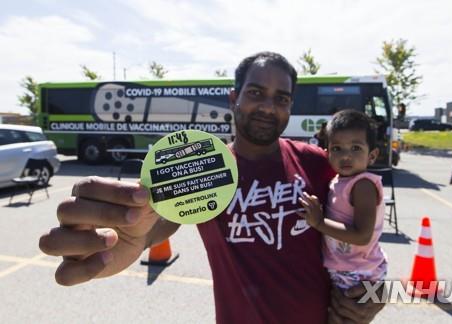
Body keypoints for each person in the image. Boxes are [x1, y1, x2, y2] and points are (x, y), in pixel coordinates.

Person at [39, 52, 384, 324]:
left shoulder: (319, 163)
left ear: (290, 106)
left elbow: (366, 241)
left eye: (281, 98)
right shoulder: (205, 169)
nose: (267, 106)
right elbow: (155, 226)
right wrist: (129, 238)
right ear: (233, 97)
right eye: (255, 93)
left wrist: (375, 294)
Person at [298, 109, 388, 291]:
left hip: (358, 271)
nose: (346, 156)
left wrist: (319, 222)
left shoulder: (363, 185)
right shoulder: (337, 181)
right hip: (344, 267)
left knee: (341, 317)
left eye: (356, 148)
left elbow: (362, 236)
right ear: (327, 153)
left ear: (372, 155)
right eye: (337, 148)